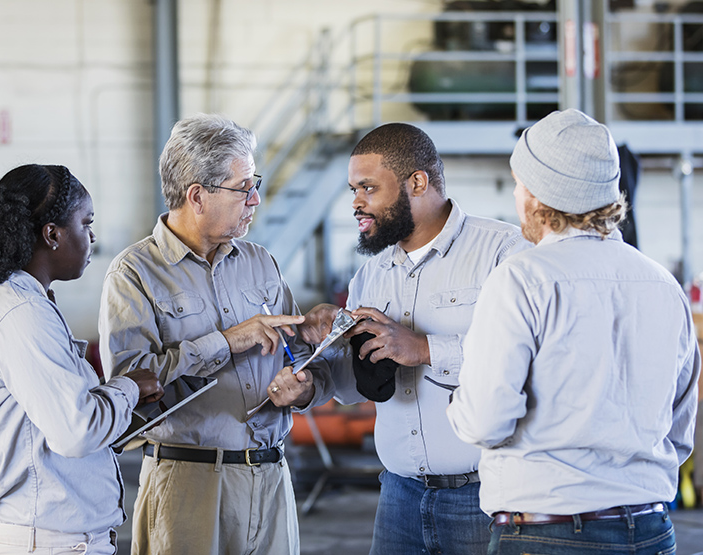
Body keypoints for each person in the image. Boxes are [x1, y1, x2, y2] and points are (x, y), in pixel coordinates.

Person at [446, 109, 700, 555]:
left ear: (541, 193)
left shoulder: (521, 278)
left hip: (548, 531)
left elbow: (487, 421)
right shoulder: (663, 285)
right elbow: (678, 432)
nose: (516, 194)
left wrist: (458, 401)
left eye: (519, 182)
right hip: (650, 530)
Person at [98, 113, 335, 555]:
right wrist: (227, 341)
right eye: (244, 186)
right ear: (197, 195)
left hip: (271, 480)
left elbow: (296, 357)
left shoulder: (260, 262)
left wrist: (307, 360)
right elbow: (132, 388)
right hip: (187, 487)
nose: (256, 199)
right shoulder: (135, 273)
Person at [300, 122, 529, 555]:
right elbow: (353, 387)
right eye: (353, 190)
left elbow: (524, 361)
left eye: (368, 188)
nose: (356, 204)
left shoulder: (504, 254)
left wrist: (424, 349)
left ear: (417, 182)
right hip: (398, 497)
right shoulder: (371, 274)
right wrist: (312, 379)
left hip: (483, 498)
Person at [0, 164, 163, 555]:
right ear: (52, 234)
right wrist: (128, 387)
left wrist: (116, 406)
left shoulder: (26, 305)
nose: (93, 236)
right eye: (86, 223)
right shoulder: (20, 313)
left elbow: (53, 425)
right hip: (42, 543)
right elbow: (75, 430)